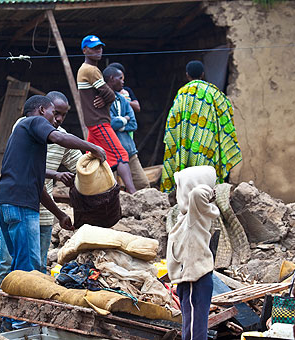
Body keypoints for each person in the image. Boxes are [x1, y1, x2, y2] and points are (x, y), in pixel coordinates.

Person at [0, 95, 105, 330]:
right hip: (21, 206)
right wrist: (92, 147)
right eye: (54, 114)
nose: (56, 121)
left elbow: (39, 186)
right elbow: (60, 137)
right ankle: (21, 324)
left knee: (17, 266)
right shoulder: (33, 122)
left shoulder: (27, 139)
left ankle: (6, 318)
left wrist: (59, 214)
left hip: (8, 203)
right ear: (42, 110)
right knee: (28, 266)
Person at [161, 60, 242, 193]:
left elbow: (172, 121)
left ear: (187, 75)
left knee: (188, 174)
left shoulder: (182, 93)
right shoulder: (212, 92)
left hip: (185, 143)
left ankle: (187, 200)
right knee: (207, 174)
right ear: (203, 74)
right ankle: (209, 199)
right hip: (207, 142)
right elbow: (227, 108)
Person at [77, 35, 136, 194]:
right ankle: (133, 193)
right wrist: (106, 98)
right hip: (99, 122)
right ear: (84, 50)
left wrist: (105, 99)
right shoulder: (91, 70)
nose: (98, 51)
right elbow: (110, 94)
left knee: (95, 159)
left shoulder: (87, 69)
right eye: (94, 48)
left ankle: (95, 192)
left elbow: (107, 94)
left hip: (93, 122)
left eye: (100, 47)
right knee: (121, 155)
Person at [166, 165, 220, 340]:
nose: (176, 191)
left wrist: (208, 189)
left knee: (193, 332)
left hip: (194, 280)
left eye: (180, 187)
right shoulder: (188, 216)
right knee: (191, 327)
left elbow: (198, 194)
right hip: (191, 280)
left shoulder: (195, 214)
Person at [103, 66, 150, 190]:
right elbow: (109, 124)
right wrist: (124, 120)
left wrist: (119, 123)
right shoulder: (101, 100)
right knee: (111, 189)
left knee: (143, 184)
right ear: (112, 79)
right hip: (109, 152)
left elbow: (133, 124)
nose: (123, 82)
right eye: (120, 78)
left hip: (129, 150)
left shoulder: (123, 99)